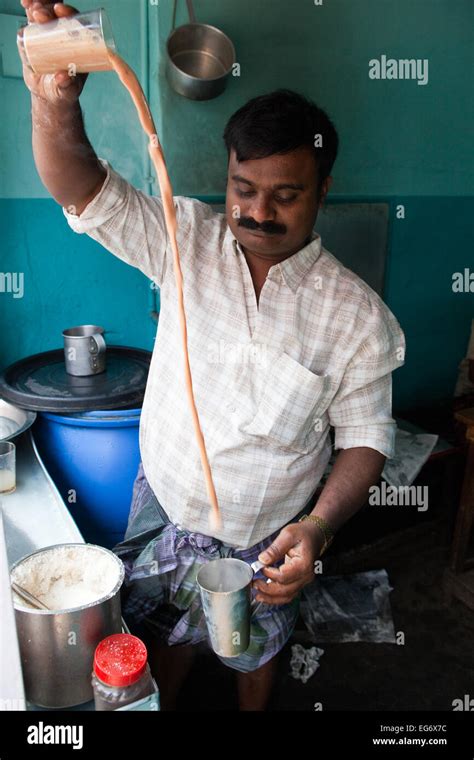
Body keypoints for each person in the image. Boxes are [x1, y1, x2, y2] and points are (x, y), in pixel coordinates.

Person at [21, 0, 406, 711]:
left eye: (286, 195)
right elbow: (79, 189)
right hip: (165, 510)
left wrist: (316, 530)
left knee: (252, 650)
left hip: (269, 541)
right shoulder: (184, 241)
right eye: (243, 190)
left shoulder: (357, 316)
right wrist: (53, 103)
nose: (258, 212)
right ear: (227, 180)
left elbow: (366, 438)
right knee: (160, 638)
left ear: (324, 190)